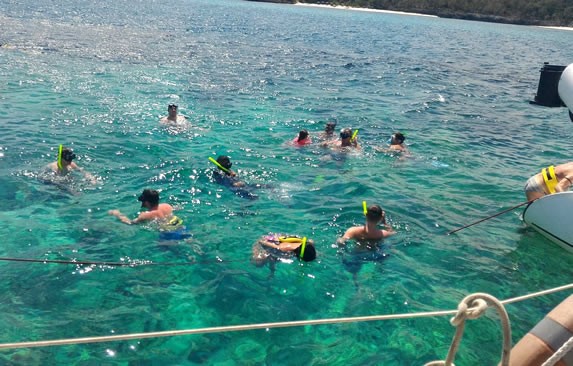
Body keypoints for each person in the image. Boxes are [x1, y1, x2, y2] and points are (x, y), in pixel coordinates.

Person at [337, 204, 395, 284]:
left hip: (357, 254)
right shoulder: (383, 234)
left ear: (365, 215)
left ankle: (357, 286)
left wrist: (343, 247)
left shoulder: (353, 231)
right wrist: (384, 222)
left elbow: (341, 241)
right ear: (379, 218)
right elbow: (393, 232)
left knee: (354, 274)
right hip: (375, 255)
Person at [251, 234, 316, 274]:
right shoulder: (283, 249)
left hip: (280, 239)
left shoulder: (308, 245)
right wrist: (272, 270)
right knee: (258, 263)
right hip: (266, 241)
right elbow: (262, 242)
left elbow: (311, 242)